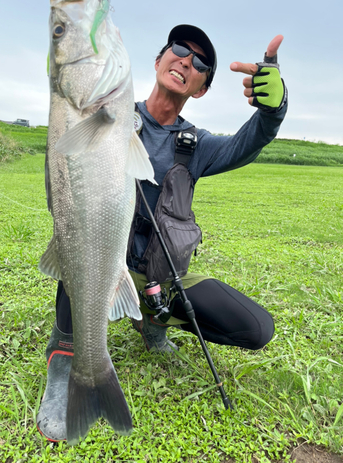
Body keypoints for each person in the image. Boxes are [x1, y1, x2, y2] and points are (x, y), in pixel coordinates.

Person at [37, 24, 287, 441]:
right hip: (102, 258)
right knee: (79, 242)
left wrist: (272, 110)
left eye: (200, 62)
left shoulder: (196, 145)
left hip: (161, 277)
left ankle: (154, 321)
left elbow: (248, 143)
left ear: (201, 88)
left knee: (256, 328)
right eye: (178, 49)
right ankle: (64, 357)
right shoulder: (107, 114)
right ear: (157, 61)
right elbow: (65, 143)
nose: (186, 60)